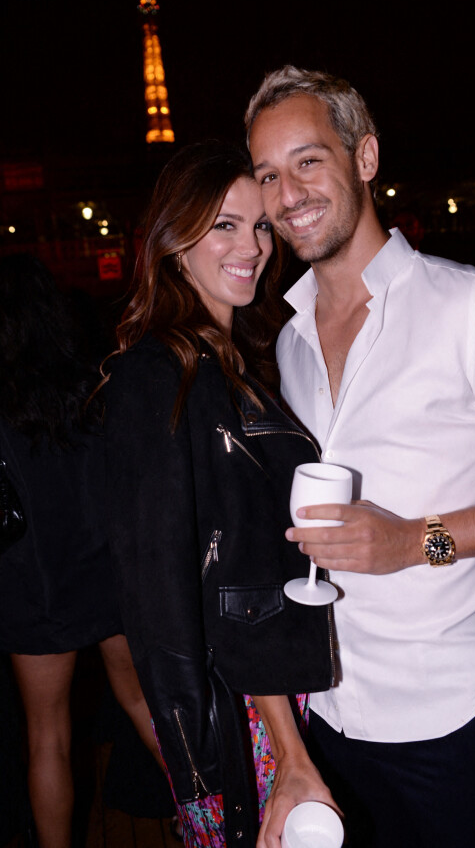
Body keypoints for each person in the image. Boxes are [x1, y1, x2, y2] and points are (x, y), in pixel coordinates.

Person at [244, 65, 475, 848]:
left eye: (307, 160)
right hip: (327, 712)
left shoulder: (472, 306)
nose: (286, 192)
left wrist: (415, 541)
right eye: (267, 173)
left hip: (453, 717)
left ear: (364, 157)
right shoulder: (287, 338)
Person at [102, 141, 335, 848]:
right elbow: (169, 587)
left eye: (260, 225)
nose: (253, 245)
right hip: (244, 714)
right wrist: (212, 748)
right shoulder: (161, 375)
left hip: (268, 696)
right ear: (175, 242)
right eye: (224, 225)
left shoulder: (235, 361)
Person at [0, 254, 161, 848]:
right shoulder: (94, 383)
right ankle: (214, 821)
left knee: (48, 736)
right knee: (146, 703)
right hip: (107, 572)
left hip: (31, 581)